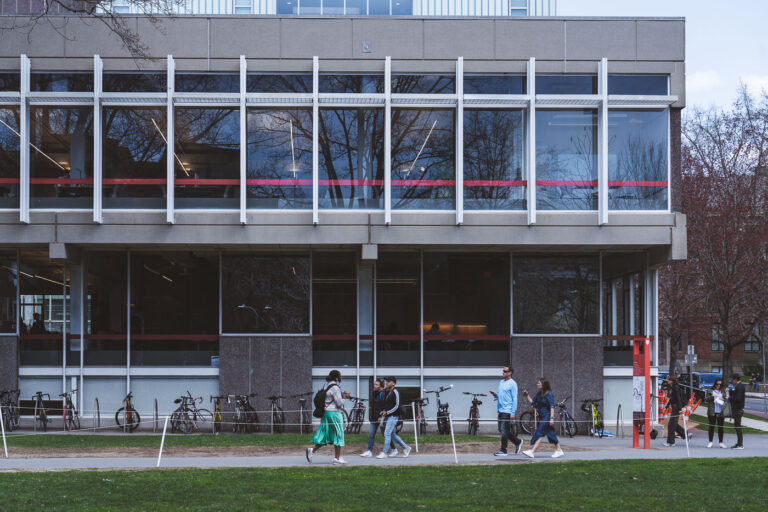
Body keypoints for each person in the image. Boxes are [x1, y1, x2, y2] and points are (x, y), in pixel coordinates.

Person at [306, 369, 351, 465]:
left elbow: (329, 398)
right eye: (340, 375)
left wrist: (340, 395)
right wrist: (345, 397)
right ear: (336, 377)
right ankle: (337, 459)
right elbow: (339, 403)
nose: (341, 377)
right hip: (334, 413)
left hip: (326, 413)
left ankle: (312, 450)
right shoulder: (335, 387)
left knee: (326, 434)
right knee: (338, 434)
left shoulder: (326, 385)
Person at [521, 378, 564, 459]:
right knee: (550, 433)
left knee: (540, 432)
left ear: (543, 385)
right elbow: (533, 403)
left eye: (539, 383)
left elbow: (552, 407)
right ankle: (559, 450)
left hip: (547, 416)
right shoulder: (539, 394)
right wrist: (527, 395)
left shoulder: (549, 394)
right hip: (542, 416)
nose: (537, 384)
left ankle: (532, 451)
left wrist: (551, 418)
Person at [489, 364, 522, 456]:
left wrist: (513, 412)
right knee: (501, 429)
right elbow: (500, 396)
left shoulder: (513, 384)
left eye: (505, 371)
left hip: (507, 410)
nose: (503, 372)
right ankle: (517, 441)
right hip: (500, 409)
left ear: (510, 373)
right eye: (502, 371)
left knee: (504, 430)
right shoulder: (501, 382)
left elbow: (514, 398)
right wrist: (496, 395)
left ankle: (503, 450)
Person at [376, 376, 412, 459]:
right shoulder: (388, 392)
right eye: (386, 381)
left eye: (388, 381)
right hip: (389, 416)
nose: (387, 383)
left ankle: (384, 452)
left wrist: (387, 412)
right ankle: (406, 447)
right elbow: (387, 405)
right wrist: (383, 412)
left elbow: (397, 406)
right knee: (392, 434)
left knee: (387, 433)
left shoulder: (396, 392)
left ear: (393, 383)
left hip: (393, 417)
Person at [360, 378, 394, 457]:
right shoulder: (374, 393)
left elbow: (385, 405)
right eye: (374, 384)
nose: (374, 386)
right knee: (371, 434)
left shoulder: (382, 394)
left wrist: (381, 416)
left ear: (381, 387)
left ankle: (394, 448)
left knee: (386, 434)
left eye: (376, 384)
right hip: (374, 418)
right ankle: (369, 451)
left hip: (380, 418)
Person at [663, 375, 691, 446]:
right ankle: (686, 435)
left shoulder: (676, 388)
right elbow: (672, 398)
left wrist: (679, 409)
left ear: (672, 381)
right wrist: (666, 407)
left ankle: (671, 442)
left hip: (676, 408)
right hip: (674, 407)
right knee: (673, 425)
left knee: (671, 425)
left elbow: (678, 398)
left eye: (669, 380)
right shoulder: (673, 387)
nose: (668, 381)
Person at [706, 377, 727, 448]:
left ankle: (721, 442)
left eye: (720, 385)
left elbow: (726, 400)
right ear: (715, 384)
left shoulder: (723, 392)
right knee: (711, 426)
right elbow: (706, 399)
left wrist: (724, 398)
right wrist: (712, 396)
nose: (718, 386)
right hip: (712, 411)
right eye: (717, 384)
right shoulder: (710, 390)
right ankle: (710, 442)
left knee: (720, 427)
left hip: (721, 411)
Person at [729, 374, 745, 449]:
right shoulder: (739, 386)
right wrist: (730, 391)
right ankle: (739, 443)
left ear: (735, 380)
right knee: (737, 426)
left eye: (732, 380)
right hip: (738, 409)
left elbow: (738, 399)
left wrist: (729, 398)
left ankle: (740, 444)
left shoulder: (739, 387)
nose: (731, 382)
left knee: (738, 426)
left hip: (738, 409)